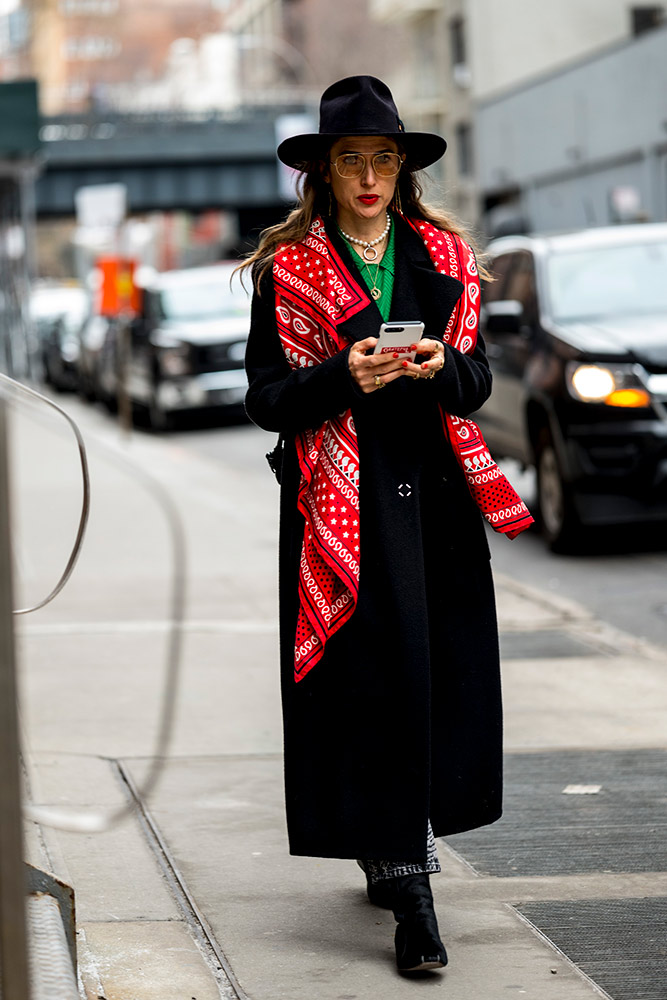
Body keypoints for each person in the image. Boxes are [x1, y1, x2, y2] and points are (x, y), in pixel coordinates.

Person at [241, 75, 533, 974]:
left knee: (429, 682)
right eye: (348, 160)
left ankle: (399, 848)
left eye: (381, 158)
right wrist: (342, 376)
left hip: (436, 501)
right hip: (341, 505)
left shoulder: (444, 256)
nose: (367, 176)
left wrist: (441, 366)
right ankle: (411, 889)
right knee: (371, 687)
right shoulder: (286, 271)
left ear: (402, 167)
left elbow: (479, 384)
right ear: (321, 174)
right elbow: (264, 400)